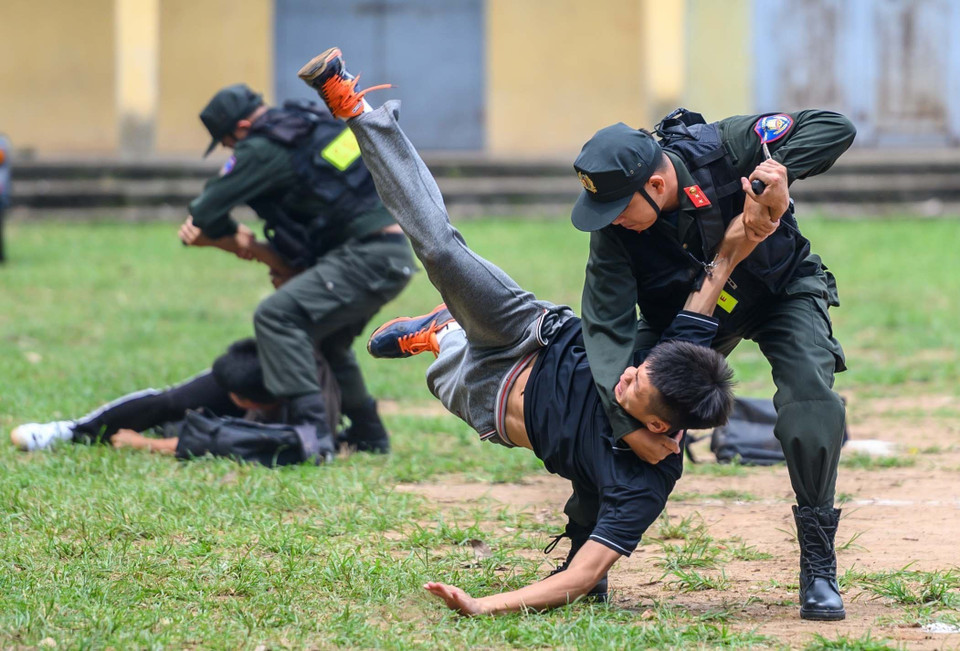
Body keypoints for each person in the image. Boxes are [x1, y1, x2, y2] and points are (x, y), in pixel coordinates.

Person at [295, 48, 777, 614]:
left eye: (633, 387)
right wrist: (748, 234)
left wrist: (483, 605)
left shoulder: (645, 483)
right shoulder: (678, 365)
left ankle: (442, 332)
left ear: (658, 421)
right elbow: (713, 280)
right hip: (530, 330)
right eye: (637, 368)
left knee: (441, 367)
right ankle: (358, 110)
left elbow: (584, 575)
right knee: (441, 250)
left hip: (489, 395)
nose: (623, 373)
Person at [571, 107, 856, 620]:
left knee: (808, 398)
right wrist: (626, 421)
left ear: (656, 185)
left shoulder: (725, 146)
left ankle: (818, 564)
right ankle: (584, 552)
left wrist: (779, 172)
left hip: (780, 289)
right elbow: (604, 330)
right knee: (613, 404)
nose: (609, 217)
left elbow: (835, 127)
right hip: (689, 318)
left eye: (616, 206)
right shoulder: (614, 232)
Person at [178, 83, 416, 460]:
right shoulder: (306, 125)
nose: (228, 149)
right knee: (331, 343)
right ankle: (370, 435)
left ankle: (313, 436)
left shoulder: (260, 147)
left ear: (241, 126)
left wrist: (229, 233)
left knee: (275, 317)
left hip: (365, 256)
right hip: (392, 253)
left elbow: (205, 211)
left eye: (225, 141)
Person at [10, 338, 336, 453]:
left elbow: (234, 442)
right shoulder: (262, 370)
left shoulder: (304, 413)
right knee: (170, 402)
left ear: (251, 402)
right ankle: (72, 431)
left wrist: (150, 446)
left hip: (256, 419)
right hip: (258, 385)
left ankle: (164, 431)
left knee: (188, 427)